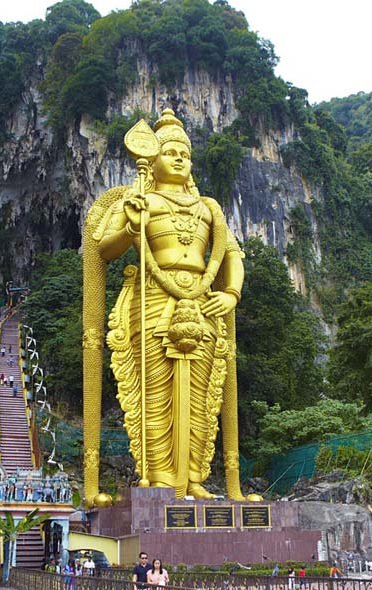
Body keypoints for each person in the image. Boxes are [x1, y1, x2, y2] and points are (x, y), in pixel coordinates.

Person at [85, 109, 245, 500]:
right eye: (170, 151)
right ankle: (159, 477)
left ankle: (194, 477)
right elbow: (102, 249)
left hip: (203, 302)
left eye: (184, 154)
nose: (178, 158)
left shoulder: (209, 207)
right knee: (155, 391)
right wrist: (129, 225)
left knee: (203, 392)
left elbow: (232, 255)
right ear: (152, 159)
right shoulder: (139, 199)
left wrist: (230, 293)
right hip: (154, 299)